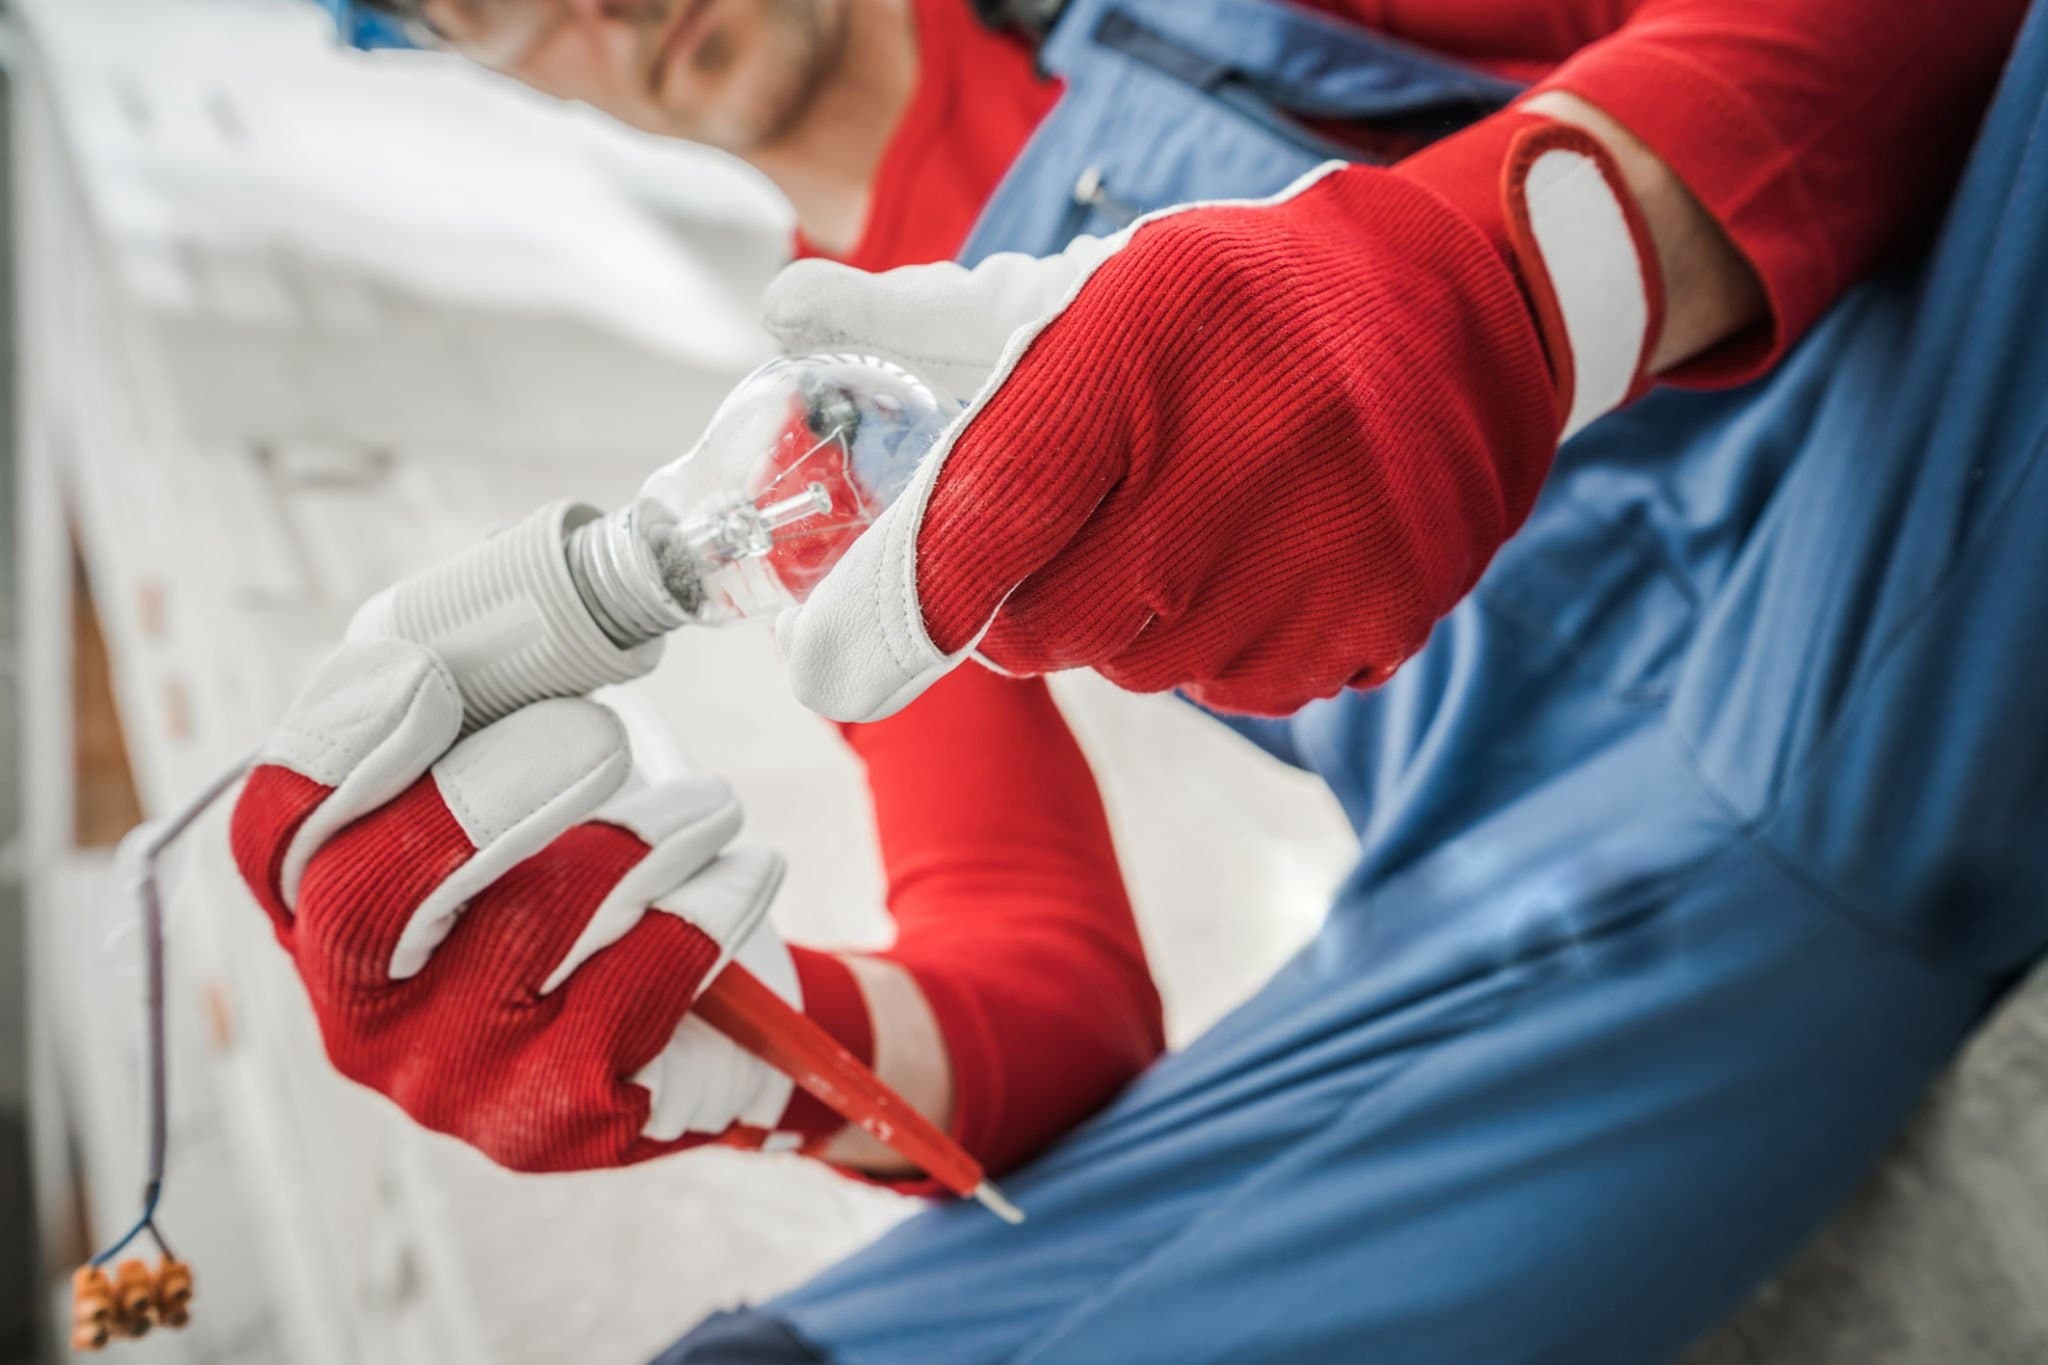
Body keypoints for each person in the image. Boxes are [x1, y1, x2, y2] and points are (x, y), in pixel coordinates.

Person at [239, 1, 2048, 1360]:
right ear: (474, 63)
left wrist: (1497, 284)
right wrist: (745, 1035)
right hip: (1567, 905)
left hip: (1899, 476)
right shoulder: (821, 424)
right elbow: (1051, 983)